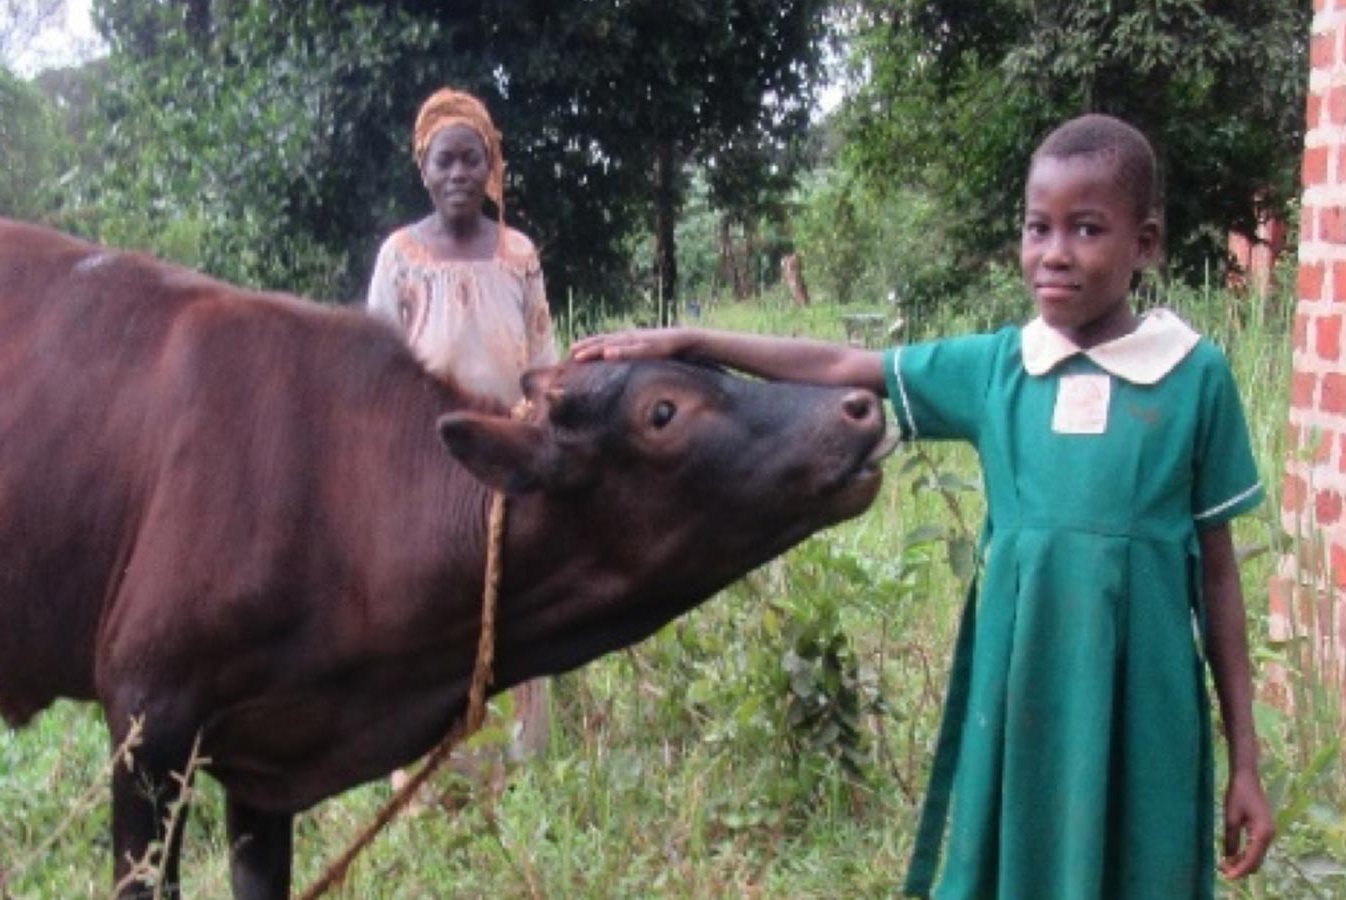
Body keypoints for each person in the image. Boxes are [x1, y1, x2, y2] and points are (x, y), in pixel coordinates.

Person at [572, 113, 1273, 899]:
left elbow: (1218, 576)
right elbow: (844, 363)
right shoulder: (1001, 369)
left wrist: (1246, 759)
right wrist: (689, 341)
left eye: (1086, 229)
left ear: (1144, 243)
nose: (1053, 254)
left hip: (1147, 706)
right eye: (1036, 228)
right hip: (1022, 702)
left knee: (1140, 867)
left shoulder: (1193, 376)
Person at [366, 87, 557, 763]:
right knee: (432, 617)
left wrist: (538, 434)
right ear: (424, 169)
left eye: (471, 160)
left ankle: (525, 765)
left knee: (519, 610)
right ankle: (434, 764)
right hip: (428, 471)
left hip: (508, 464)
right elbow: (378, 375)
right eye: (444, 161)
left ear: (490, 166)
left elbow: (541, 363)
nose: (458, 175)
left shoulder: (518, 256)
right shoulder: (400, 259)